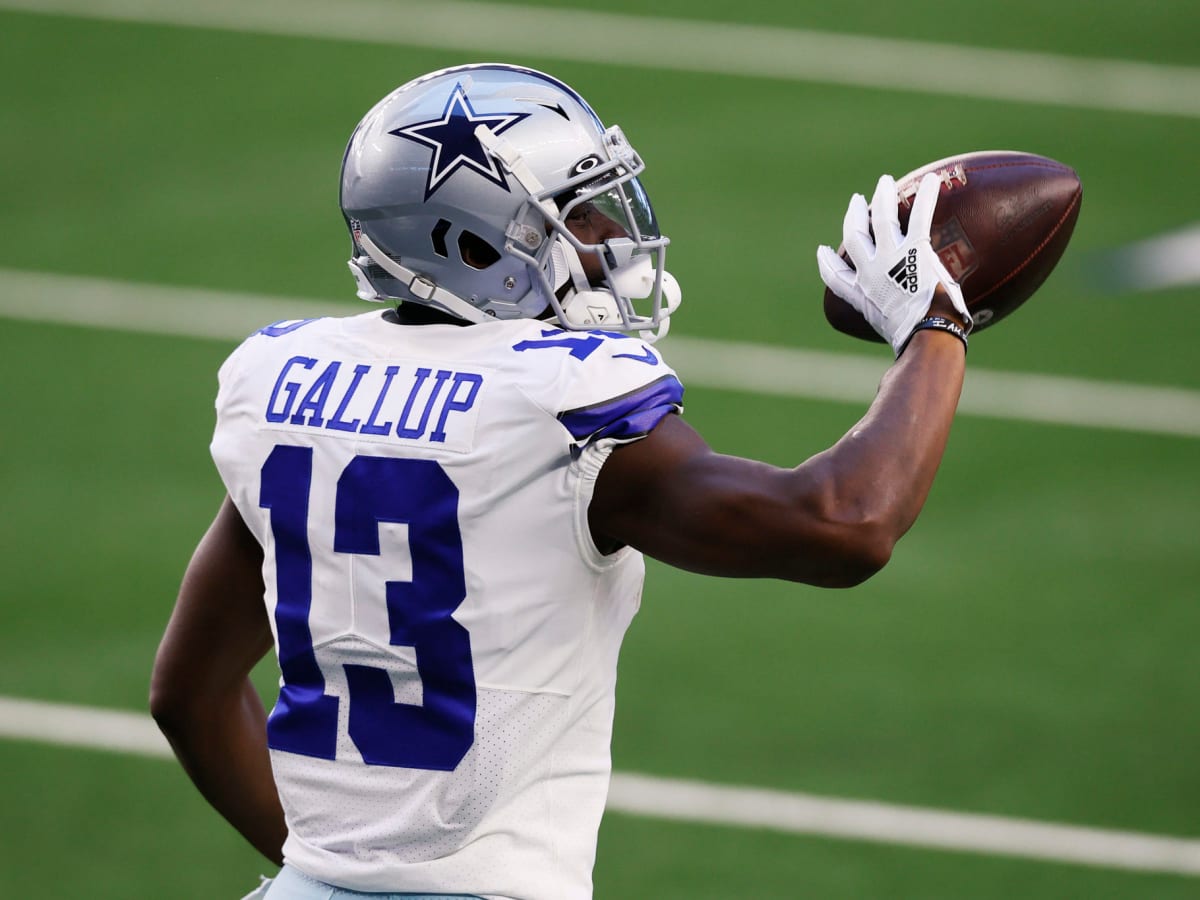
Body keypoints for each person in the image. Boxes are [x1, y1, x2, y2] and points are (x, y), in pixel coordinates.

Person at [150, 62, 971, 900]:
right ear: (472, 247)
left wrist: (332, 874)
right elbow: (846, 522)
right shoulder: (560, 401)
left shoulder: (288, 384)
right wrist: (935, 324)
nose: (610, 235)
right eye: (573, 215)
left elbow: (188, 695)